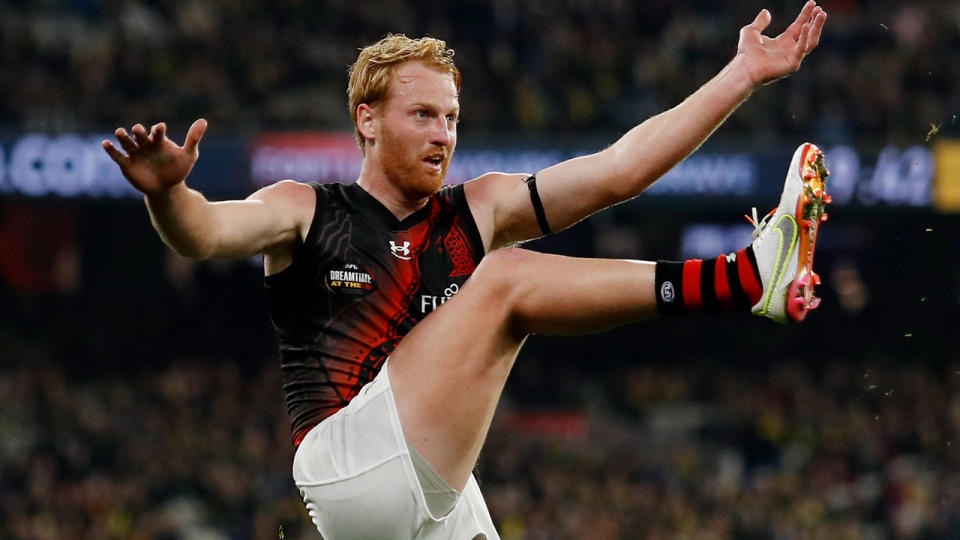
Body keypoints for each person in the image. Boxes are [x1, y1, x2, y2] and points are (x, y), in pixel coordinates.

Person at [103, 2, 828, 538]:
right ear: (366, 119)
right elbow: (200, 234)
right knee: (504, 280)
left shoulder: (476, 209)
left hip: (430, 492)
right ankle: (741, 280)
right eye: (422, 115)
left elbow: (618, 172)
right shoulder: (303, 208)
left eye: (451, 118)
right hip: (349, 464)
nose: (443, 134)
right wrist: (169, 192)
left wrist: (742, 74)